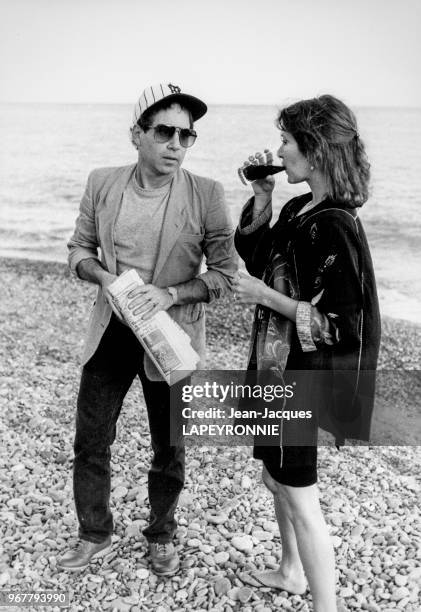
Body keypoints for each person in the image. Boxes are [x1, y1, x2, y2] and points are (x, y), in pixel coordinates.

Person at [58, 83, 237, 575]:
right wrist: (105, 278)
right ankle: (93, 530)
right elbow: (78, 249)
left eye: (187, 134)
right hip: (112, 327)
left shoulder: (207, 194)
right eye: (164, 132)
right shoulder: (103, 182)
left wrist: (171, 294)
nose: (176, 143)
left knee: (170, 444)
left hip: (173, 333)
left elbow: (225, 275)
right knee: (91, 438)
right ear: (137, 134)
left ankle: (161, 532)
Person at [234, 95, 380, 612]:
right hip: (276, 366)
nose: (279, 149)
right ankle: (292, 570)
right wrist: (262, 196)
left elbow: (345, 325)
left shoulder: (337, 224)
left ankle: (327, 606)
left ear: (313, 150)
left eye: (287, 142)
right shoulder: (301, 209)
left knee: (301, 494)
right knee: (276, 476)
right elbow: (255, 255)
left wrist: (267, 298)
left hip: (303, 376)